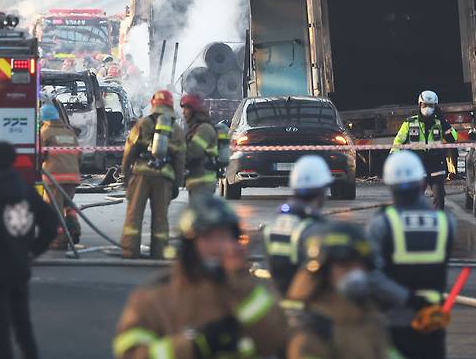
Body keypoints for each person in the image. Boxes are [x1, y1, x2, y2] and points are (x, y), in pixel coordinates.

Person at [113, 196, 287, 358]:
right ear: (188, 245)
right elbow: (129, 354)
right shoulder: (153, 298)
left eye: (226, 237)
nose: (221, 246)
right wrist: (193, 346)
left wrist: (241, 283)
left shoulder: (246, 290)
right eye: (210, 237)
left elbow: (279, 338)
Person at [0, 141, 57, 359]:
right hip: (19, 266)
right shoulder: (27, 191)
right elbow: (51, 224)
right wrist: (33, 251)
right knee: (23, 325)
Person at [368, 150, 455, 359]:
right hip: (432, 322)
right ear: (420, 182)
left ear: (389, 184)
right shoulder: (446, 224)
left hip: (393, 320)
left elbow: (372, 277)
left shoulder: (381, 224)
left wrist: (407, 298)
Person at [285, 221, 400, 359]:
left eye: (360, 265)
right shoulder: (312, 330)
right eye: (345, 265)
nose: (356, 273)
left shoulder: (371, 316)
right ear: (324, 271)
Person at [120, 89, 186, 259]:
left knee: (134, 214)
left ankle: (130, 251)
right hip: (164, 178)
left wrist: (125, 173)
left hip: (141, 175)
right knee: (160, 217)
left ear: (153, 105)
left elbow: (130, 150)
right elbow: (180, 159)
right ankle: (159, 252)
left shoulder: (143, 124)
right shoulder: (176, 129)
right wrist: (178, 183)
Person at [263, 155, 331, 295]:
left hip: (276, 300)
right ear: (323, 191)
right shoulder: (315, 230)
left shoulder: (272, 225)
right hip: (304, 304)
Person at [392, 91, 457, 210]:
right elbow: (398, 141)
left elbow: (453, 138)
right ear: (419, 105)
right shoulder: (410, 122)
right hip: (417, 165)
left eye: (431, 105)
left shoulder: (439, 122)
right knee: (415, 197)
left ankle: (438, 221)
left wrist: (443, 120)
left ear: (436, 107)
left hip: (436, 165)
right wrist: (394, 158)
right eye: (424, 105)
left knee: (440, 197)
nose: (427, 108)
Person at [39, 103, 82, 248]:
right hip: (73, 177)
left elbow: (40, 155)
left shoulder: (45, 132)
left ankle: (61, 239)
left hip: (54, 178)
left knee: (54, 209)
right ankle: (74, 228)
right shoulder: (69, 132)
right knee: (67, 205)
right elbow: (79, 155)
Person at [181, 93, 218, 205]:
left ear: (194, 110)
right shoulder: (195, 128)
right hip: (196, 180)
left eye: (186, 109)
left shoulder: (204, 129)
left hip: (203, 182)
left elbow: (194, 152)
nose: (183, 112)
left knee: (201, 218)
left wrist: (176, 152)